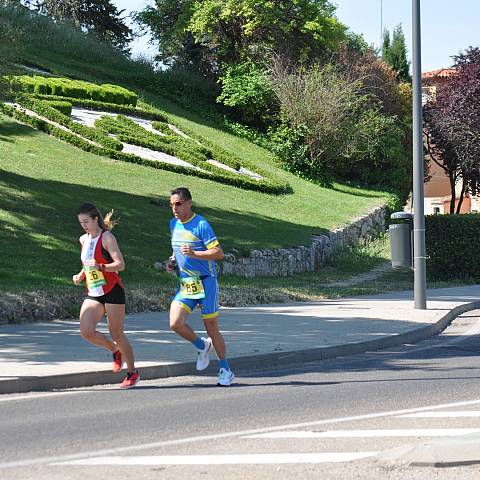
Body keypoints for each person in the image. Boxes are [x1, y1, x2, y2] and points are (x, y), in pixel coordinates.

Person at [166, 187, 234, 386]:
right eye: (171, 205)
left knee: (211, 327)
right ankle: (202, 345)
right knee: (175, 323)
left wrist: (196, 254)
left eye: (178, 204)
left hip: (206, 281)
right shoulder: (173, 224)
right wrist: (172, 261)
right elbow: (176, 250)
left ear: (189, 203)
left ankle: (225, 369)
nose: (174, 208)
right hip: (187, 283)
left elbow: (218, 253)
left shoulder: (201, 224)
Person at [72, 203, 139, 389]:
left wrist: (101, 267)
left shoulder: (107, 238)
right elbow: (88, 263)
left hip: (111, 290)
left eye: (86, 221)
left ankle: (133, 372)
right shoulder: (83, 240)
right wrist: (81, 274)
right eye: (81, 222)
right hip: (94, 291)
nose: (84, 225)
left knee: (117, 333)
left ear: (95, 219)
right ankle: (114, 350)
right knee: (86, 331)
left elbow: (120, 264)